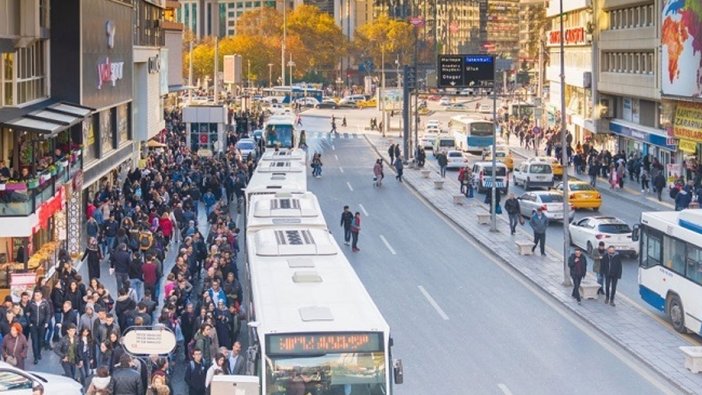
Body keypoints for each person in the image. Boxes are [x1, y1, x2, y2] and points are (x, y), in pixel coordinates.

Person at [28, 289, 51, 364]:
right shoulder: (31, 303)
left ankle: (39, 353)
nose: (36, 297)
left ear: (41, 296)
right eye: (35, 295)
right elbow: (27, 313)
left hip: (42, 325)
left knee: (40, 341)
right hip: (33, 325)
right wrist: (30, 323)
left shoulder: (45, 303)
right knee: (34, 341)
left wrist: (46, 322)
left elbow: (48, 313)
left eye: (37, 295)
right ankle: (35, 357)